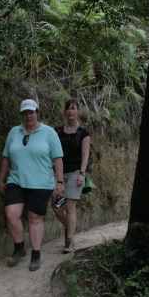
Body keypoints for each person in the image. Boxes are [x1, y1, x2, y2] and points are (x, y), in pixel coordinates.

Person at [0, 98, 64, 271]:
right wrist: (1, 178)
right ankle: (19, 248)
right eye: (25, 113)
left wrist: (59, 182)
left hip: (41, 182)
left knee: (35, 218)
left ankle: (36, 254)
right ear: (22, 114)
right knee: (11, 214)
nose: (28, 115)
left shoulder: (49, 133)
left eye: (31, 112)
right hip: (16, 180)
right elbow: (6, 157)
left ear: (37, 112)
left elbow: (57, 159)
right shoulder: (14, 132)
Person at [53, 98, 91, 253]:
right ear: (64, 112)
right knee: (56, 207)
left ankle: (69, 242)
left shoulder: (83, 133)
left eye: (74, 108)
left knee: (70, 206)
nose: (71, 111)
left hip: (75, 173)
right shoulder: (57, 131)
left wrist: (82, 173)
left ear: (78, 112)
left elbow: (85, 155)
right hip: (59, 174)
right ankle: (71, 228)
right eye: (68, 108)